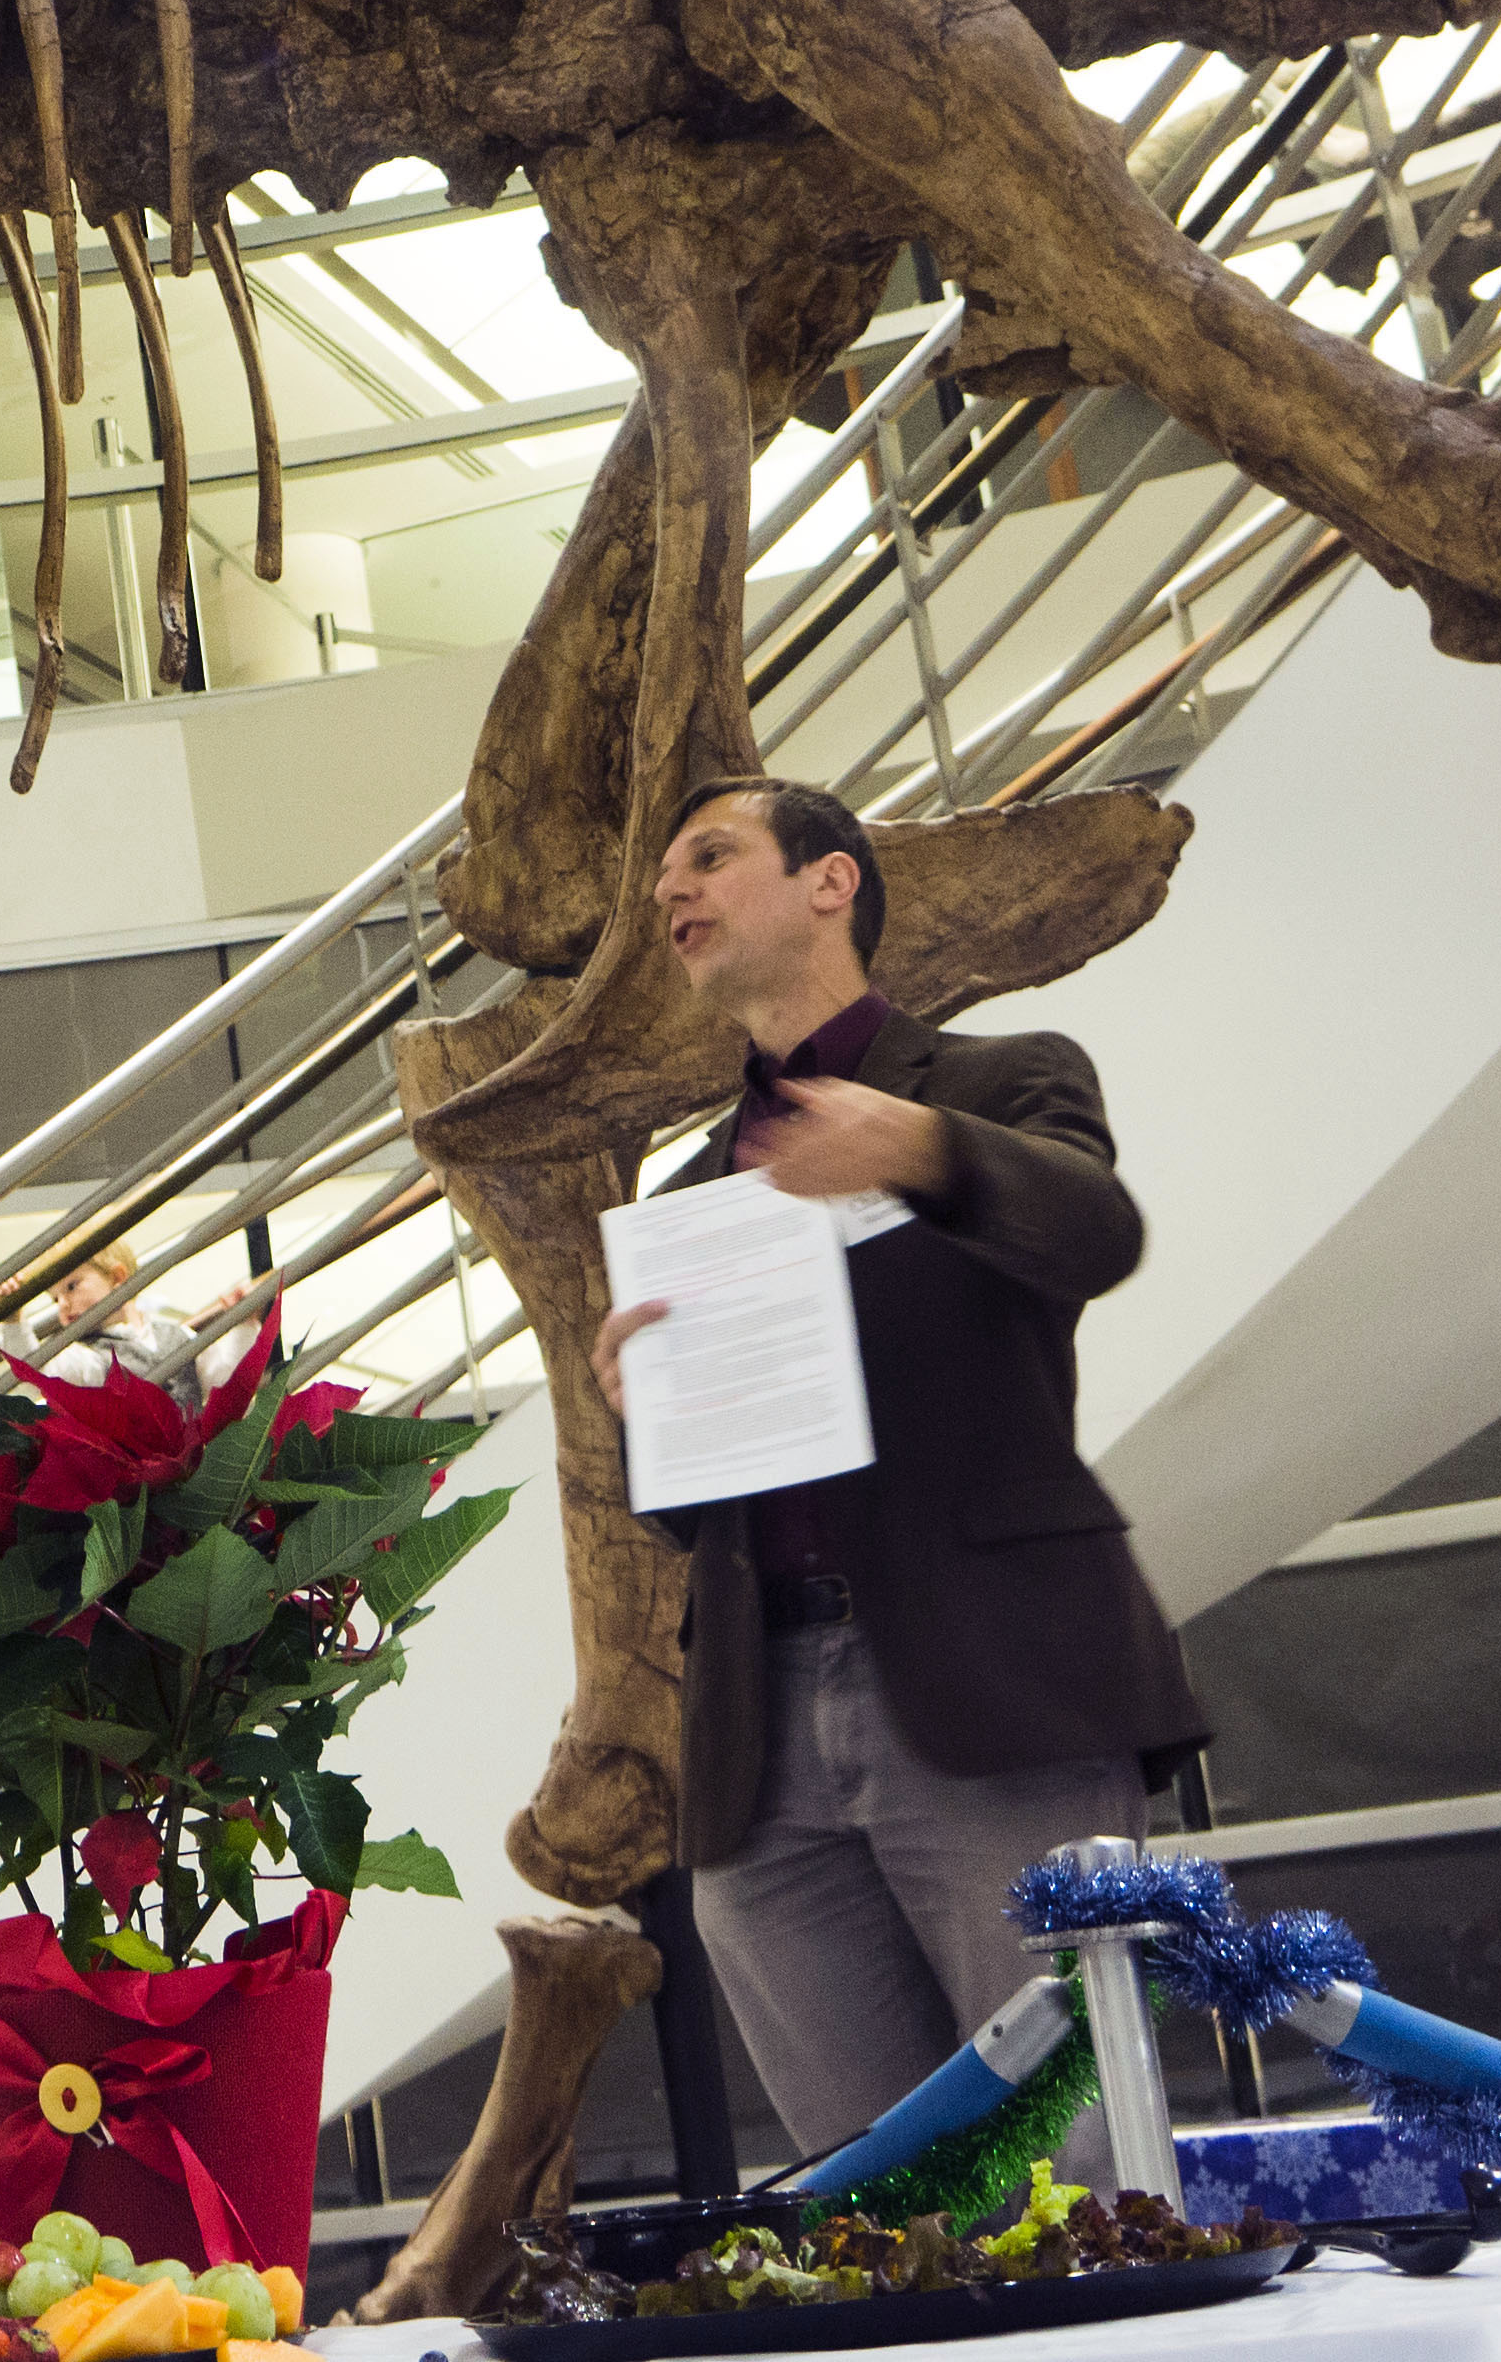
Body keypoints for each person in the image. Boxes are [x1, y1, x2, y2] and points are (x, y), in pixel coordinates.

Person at [591, 776, 1207, 2167]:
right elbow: (696, 1515)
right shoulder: (689, 1197)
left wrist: (919, 1148)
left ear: (831, 882)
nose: (672, 895)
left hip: (989, 1683)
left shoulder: (997, 1083)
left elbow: (1094, 1234)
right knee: (877, 2197)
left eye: (709, 858)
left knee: (1070, 2170)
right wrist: (649, 1412)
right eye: (662, 884)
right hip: (762, 1729)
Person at [1, 1240, 208, 1410]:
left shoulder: (178, 1334)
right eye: (55, 1299)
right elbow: (38, 1373)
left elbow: (223, 1372)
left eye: (71, 1286)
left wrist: (241, 1324)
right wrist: (13, 1319)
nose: (63, 1305)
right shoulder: (86, 1356)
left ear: (117, 1277)